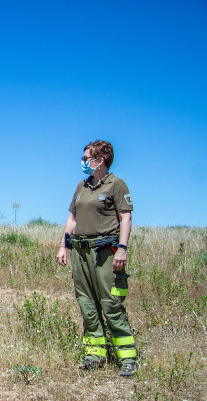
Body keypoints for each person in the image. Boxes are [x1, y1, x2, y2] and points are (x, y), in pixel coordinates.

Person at [56, 140, 137, 377]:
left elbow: (126, 219)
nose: (83, 162)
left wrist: (122, 248)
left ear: (100, 160)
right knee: (87, 304)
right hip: (81, 253)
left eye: (86, 158)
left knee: (111, 304)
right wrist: (63, 245)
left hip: (105, 252)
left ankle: (127, 358)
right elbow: (72, 218)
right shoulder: (82, 186)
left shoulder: (117, 185)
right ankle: (94, 355)